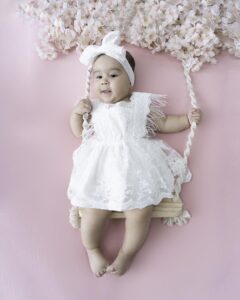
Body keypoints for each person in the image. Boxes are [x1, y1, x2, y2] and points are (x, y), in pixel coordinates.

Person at [67, 31, 201, 277]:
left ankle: (127, 253)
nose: (104, 81)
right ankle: (92, 248)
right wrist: (77, 113)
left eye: (113, 75)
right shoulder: (93, 108)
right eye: (98, 76)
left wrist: (185, 120)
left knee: (140, 212)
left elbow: (163, 123)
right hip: (102, 171)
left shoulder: (139, 104)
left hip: (137, 169)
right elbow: (80, 133)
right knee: (93, 210)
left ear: (129, 81)